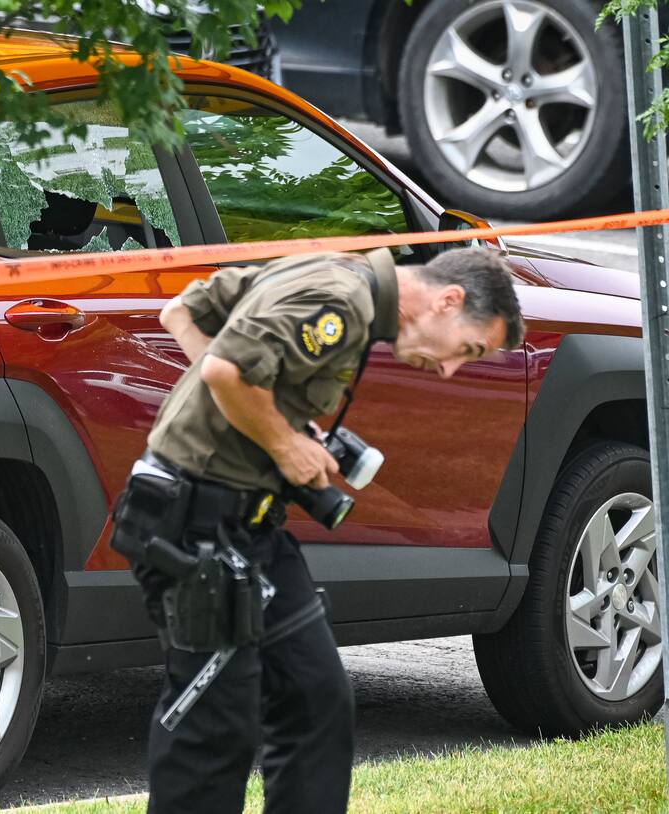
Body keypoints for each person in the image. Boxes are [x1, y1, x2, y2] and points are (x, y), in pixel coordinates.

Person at [112, 246, 525, 813]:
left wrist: (264, 418)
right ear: (448, 299)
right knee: (216, 725)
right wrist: (282, 443)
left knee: (316, 698)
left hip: (253, 527)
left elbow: (184, 310)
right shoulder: (341, 300)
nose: (452, 368)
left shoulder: (335, 273)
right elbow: (225, 369)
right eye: (468, 349)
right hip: (193, 526)